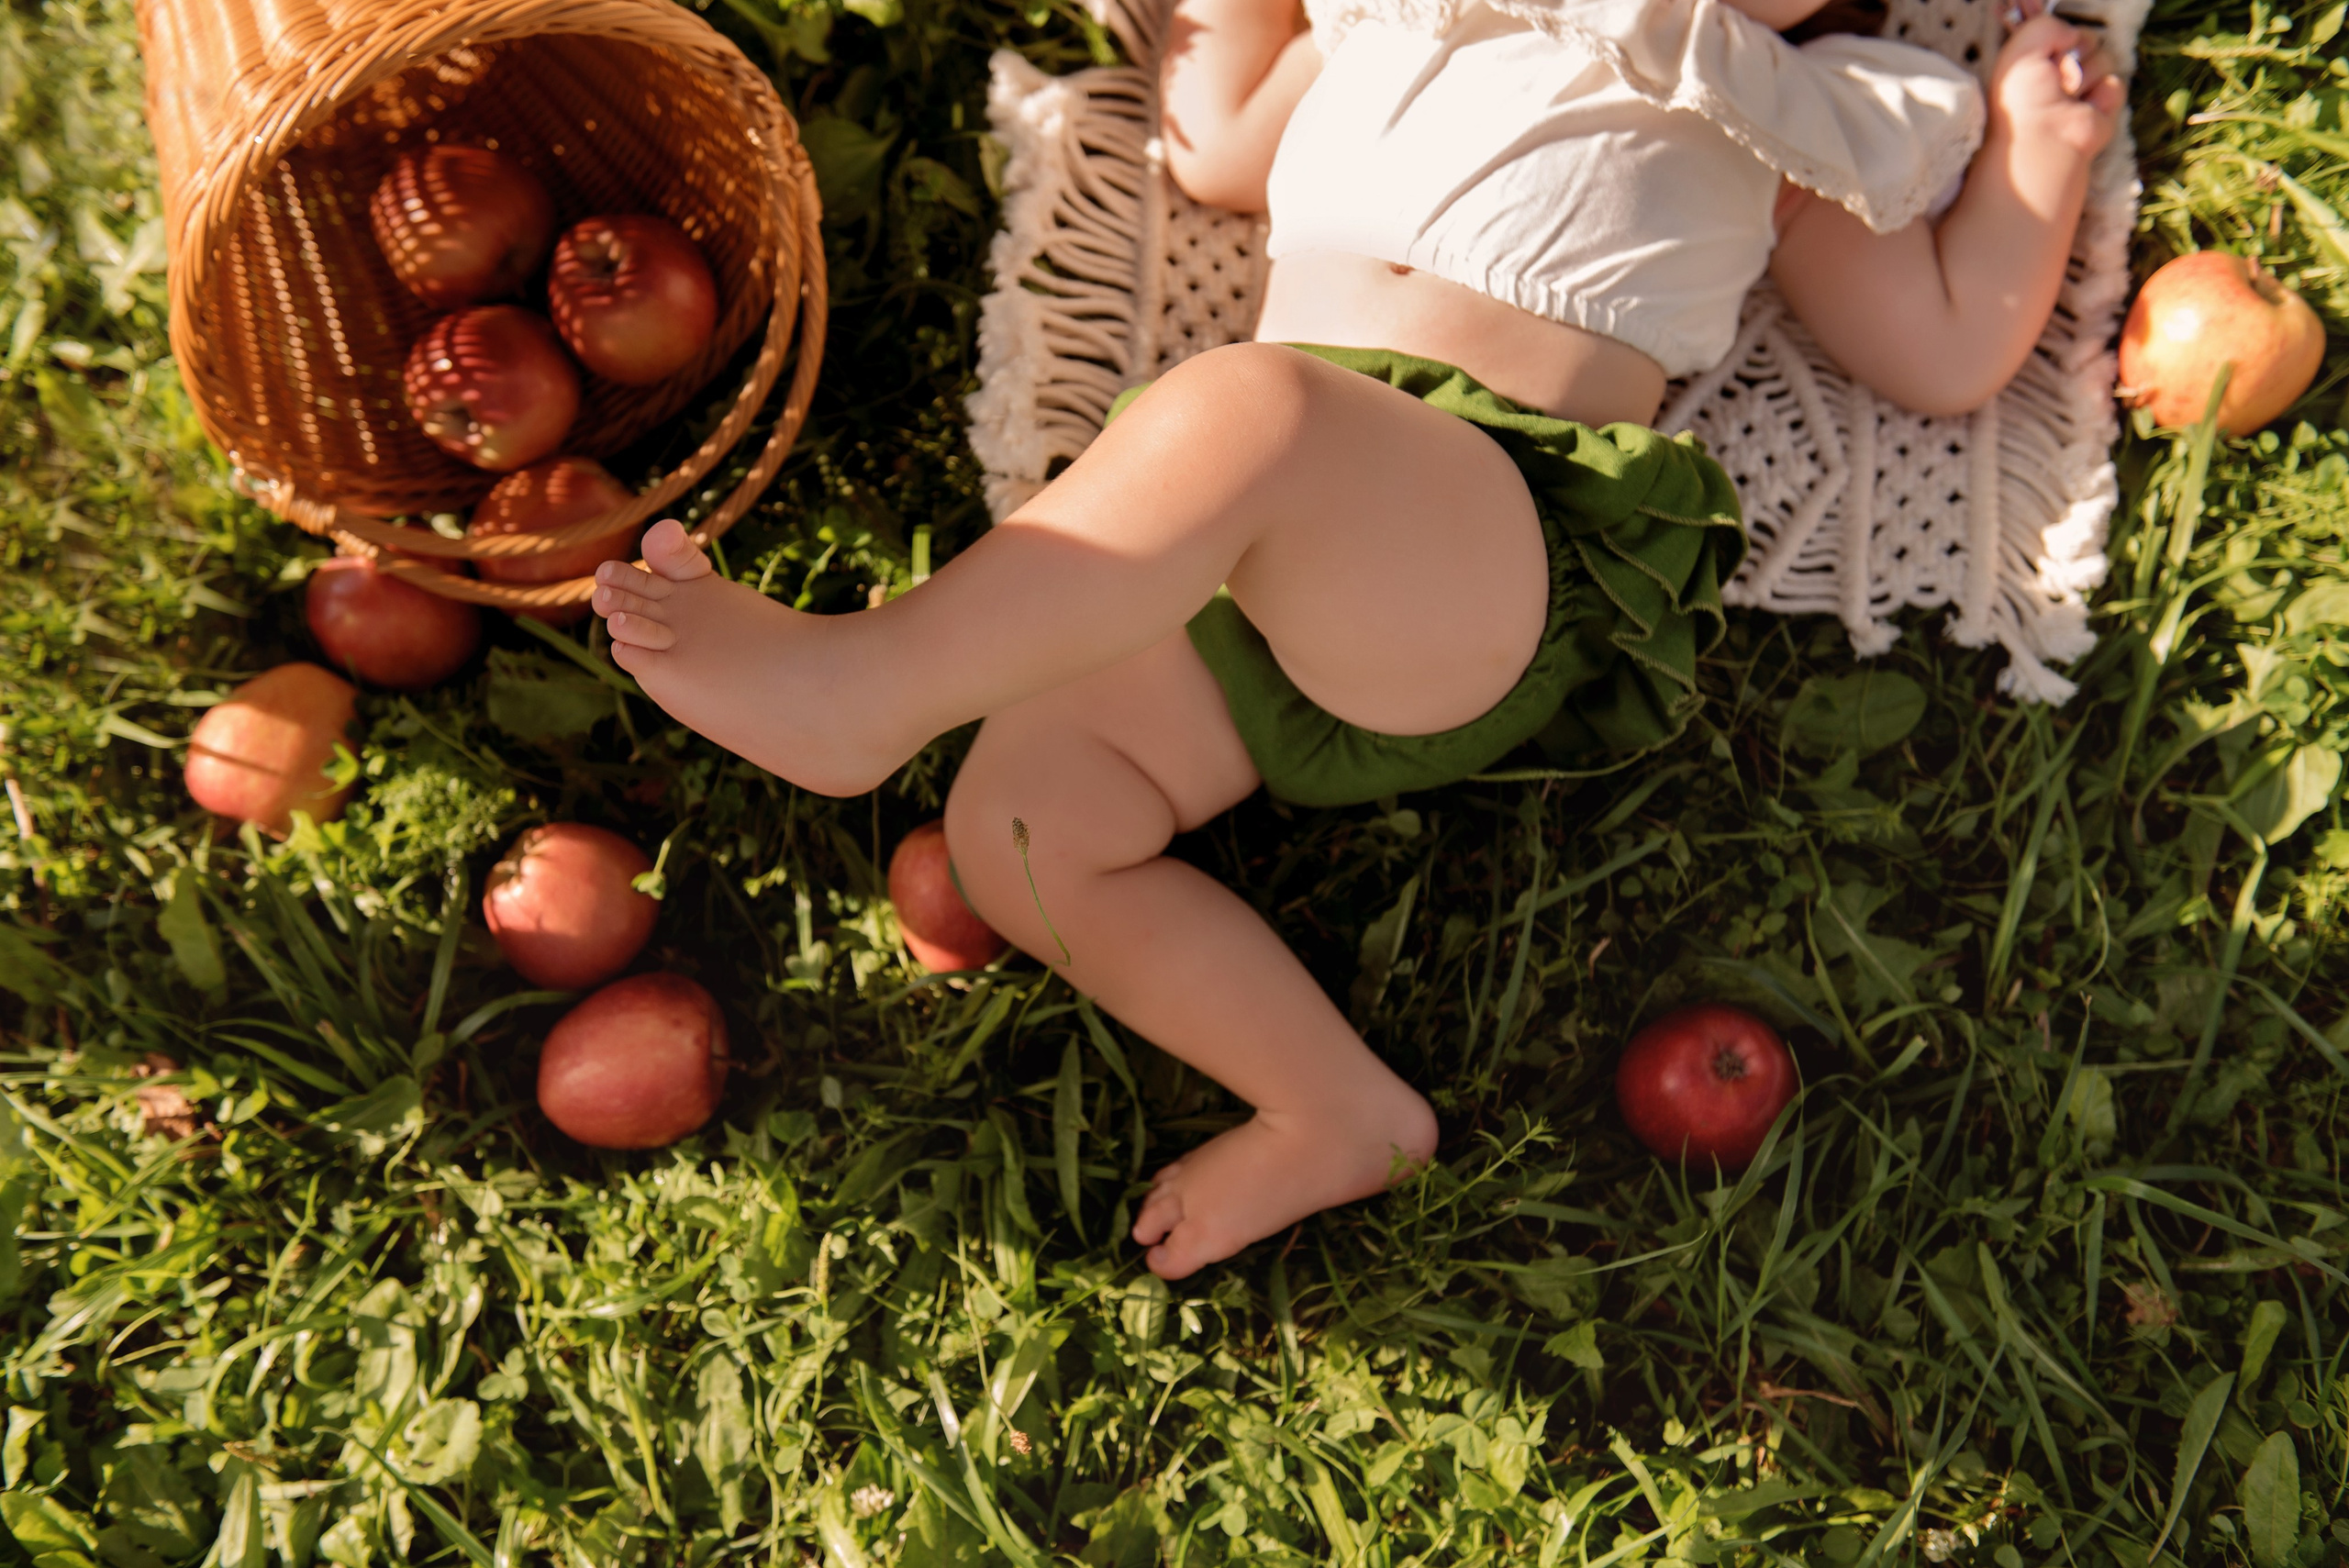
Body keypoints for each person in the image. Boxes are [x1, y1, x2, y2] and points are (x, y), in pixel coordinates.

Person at [587, 0, 2121, 1279]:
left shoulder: (1784, 104)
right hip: (1239, 575)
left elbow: (1940, 345)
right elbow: (1217, 134)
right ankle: (1328, 1108)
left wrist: (2037, 163)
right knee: (1018, 830)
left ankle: (861, 690)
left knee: (1253, 414)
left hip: (1482, 554)